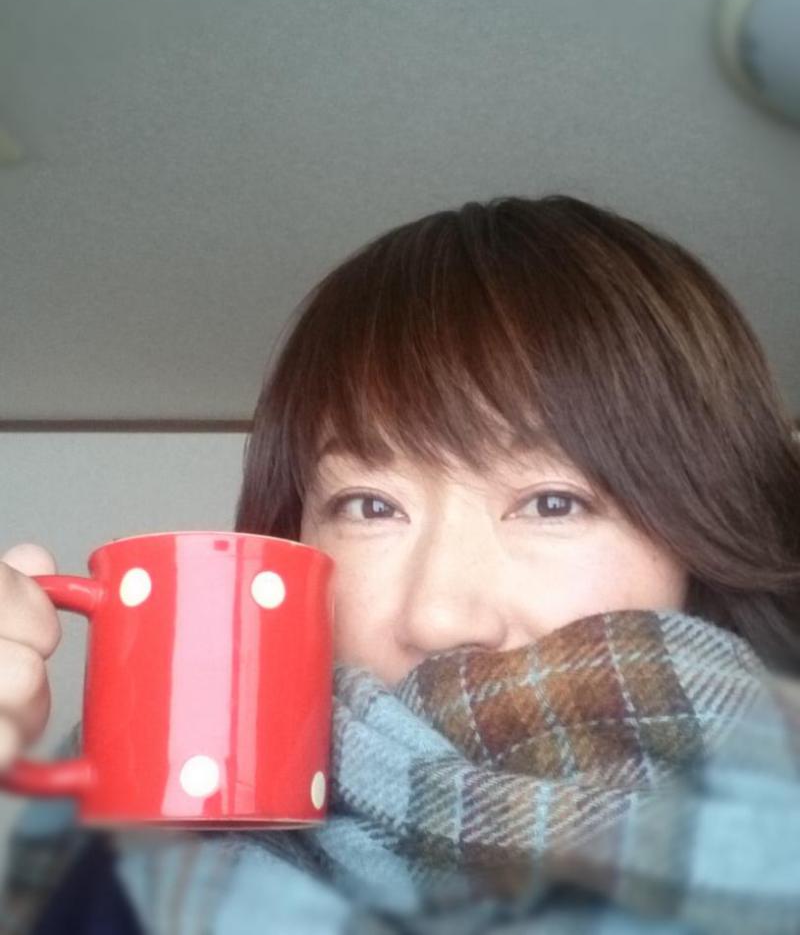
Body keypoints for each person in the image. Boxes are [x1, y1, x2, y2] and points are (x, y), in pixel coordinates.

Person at [1, 194, 800, 933]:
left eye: (554, 502)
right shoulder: (132, 855)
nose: (438, 615)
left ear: (704, 531)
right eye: (370, 506)